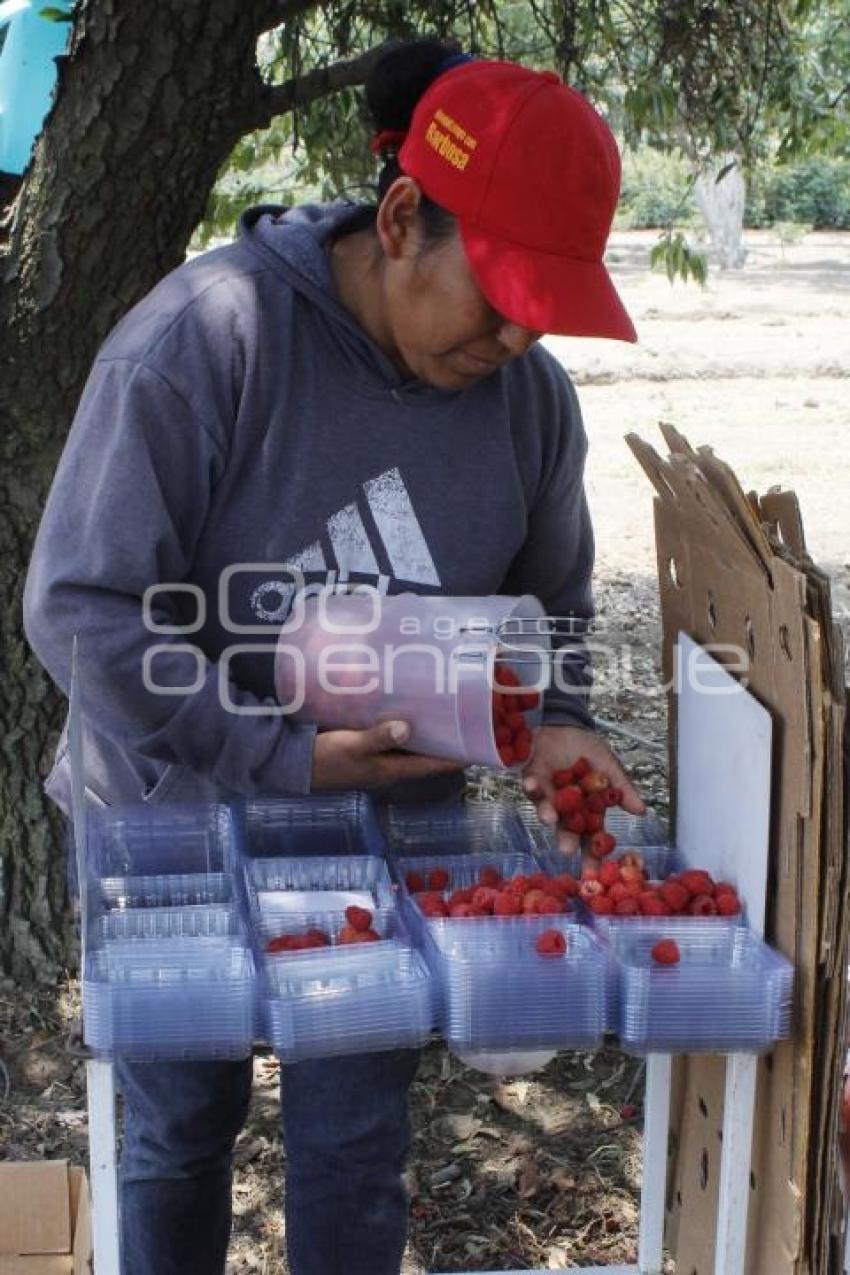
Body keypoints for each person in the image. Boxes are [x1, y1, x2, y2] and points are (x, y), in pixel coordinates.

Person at [24, 38, 644, 1275]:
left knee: (355, 1140)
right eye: (504, 292)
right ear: (405, 217)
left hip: (386, 822)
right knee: (179, 1132)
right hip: (174, 811)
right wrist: (280, 754)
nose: (521, 339)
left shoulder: (530, 402)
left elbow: (553, 593)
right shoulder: (205, 343)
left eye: (548, 308)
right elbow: (81, 610)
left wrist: (561, 712)